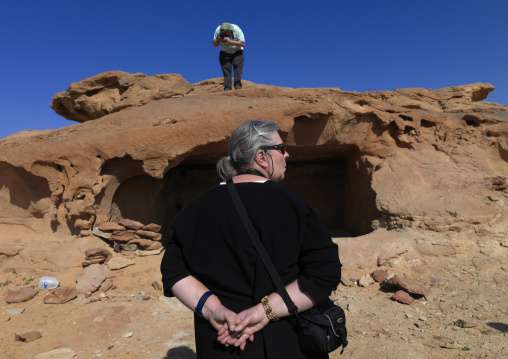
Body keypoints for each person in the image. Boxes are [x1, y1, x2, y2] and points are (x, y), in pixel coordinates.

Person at [160, 120, 342, 358]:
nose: (287, 154)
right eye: (281, 147)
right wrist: (264, 312)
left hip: (222, 342)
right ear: (261, 157)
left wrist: (214, 310)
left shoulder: (196, 209)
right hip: (287, 344)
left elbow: (174, 271)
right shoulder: (293, 204)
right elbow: (324, 274)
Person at [212, 22, 245, 91]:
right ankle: (227, 87)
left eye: (227, 32)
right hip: (225, 52)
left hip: (237, 51)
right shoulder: (218, 30)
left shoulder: (237, 29)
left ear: (230, 30)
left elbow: (243, 44)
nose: (225, 33)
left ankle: (237, 85)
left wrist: (231, 41)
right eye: (224, 32)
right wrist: (218, 40)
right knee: (226, 70)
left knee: (237, 67)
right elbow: (215, 45)